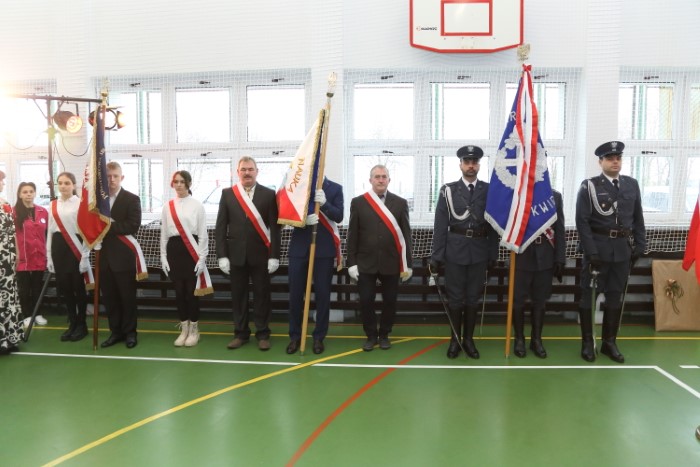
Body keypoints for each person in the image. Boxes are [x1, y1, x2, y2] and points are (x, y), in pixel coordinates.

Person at [575, 141, 646, 363]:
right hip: (597, 250)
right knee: (588, 296)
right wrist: (591, 252)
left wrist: (640, 245)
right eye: (610, 158)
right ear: (601, 162)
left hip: (622, 251)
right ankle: (588, 342)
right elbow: (582, 222)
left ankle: (609, 342)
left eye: (618, 158)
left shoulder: (631, 185)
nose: (615, 162)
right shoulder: (589, 186)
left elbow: (638, 217)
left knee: (615, 296)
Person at [430, 146, 499, 359]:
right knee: (455, 299)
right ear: (460, 165)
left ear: (479, 165)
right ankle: (455, 340)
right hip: (455, 252)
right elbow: (440, 225)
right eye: (467, 162)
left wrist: (493, 254)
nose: (471, 165)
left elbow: (493, 225)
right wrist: (436, 256)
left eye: (474, 162)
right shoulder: (448, 191)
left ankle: (468, 340)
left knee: (472, 298)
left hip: (479, 252)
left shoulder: (489, 190)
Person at [216, 156, 281, 351]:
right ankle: (241, 333)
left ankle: (263, 334)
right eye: (243, 169)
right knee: (239, 297)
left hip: (261, 255)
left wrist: (274, 256)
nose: (247, 173)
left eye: (250, 169)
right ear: (237, 172)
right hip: (235, 256)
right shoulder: (228, 194)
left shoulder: (269, 194)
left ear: (256, 171)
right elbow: (220, 228)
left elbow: (275, 228)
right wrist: (222, 255)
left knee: (262, 296)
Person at [347, 165, 412, 351]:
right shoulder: (358, 202)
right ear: (370, 180)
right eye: (377, 177)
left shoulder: (400, 203)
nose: (381, 180)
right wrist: (351, 263)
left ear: (389, 180)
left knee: (390, 301)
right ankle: (370, 335)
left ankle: (384, 335)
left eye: (384, 176)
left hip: (391, 262)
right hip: (365, 262)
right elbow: (352, 234)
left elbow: (406, 235)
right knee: (366, 300)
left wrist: (408, 264)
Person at [285, 177, 344, 355]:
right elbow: (287, 215)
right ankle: (295, 336)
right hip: (299, 249)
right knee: (295, 295)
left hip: (323, 250)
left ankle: (319, 337)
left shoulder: (335, 188)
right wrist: (303, 220)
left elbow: (339, 216)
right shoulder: (299, 184)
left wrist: (325, 204)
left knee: (323, 295)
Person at [511, 189, 566, 358]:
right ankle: (519, 339)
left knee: (540, 301)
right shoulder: (517, 194)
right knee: (518, 301)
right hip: (521, 255)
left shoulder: (554, 197)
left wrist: (560, 258)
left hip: (545, 256)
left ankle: (536, 340)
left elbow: (559, 229)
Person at [160, 170, 210, 347]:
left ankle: (194, 330)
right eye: (176, 181)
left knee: (191, 293)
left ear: (188, 183)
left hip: (192, 251)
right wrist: (163, 256)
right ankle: (184, 329)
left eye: (182, 181)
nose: (179, 185)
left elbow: (203, 234)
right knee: (179, 293)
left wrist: (202, 257)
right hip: (174, 250)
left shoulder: (197, 205)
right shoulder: (167, 206)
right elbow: (164, 234)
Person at [99, 162, 143, 349]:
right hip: (104, 258)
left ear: (121, 177)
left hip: (124, 258)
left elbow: (132, 225)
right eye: (108, 176)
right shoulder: (98, 201)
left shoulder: (131, 199)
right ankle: (115, 332)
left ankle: (130, 332)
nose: (112, 179)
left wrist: (107, 225)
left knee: (127, 298)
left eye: (115, 176)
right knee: (110, 299)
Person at [47, 172, 91, 342]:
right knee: (65, 289)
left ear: (74, 185)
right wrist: (49, 256)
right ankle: (72, 323)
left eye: (67, 183)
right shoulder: (52, 205)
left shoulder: (81, 204)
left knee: (78, 288)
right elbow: (50, 233)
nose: (63, 186)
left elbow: (86, 231)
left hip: (76, 248)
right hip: (59, 248)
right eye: (60, 183)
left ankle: (82, 324)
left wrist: (85, 255)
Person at [14, 182, 49, 327]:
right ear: (20, 194)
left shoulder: (43, 211)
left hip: (39, 255)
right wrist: (16, 253)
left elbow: (47, 234)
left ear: (35, 193)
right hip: (22, 256)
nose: (28, 194)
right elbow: (12, 235)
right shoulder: (14, 212)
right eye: (25, 192)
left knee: (37, 287)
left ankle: (37, 313)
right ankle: (27, 315)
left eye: (31, 191)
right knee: (24, 288)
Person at [0, 171, 25, 354]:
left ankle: (10, 337)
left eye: (2, 180)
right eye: (0, 180)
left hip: (7, 256)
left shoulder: (5, 203)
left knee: (9, 295)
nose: (2, 183)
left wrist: (16, 251)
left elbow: (12, 231)